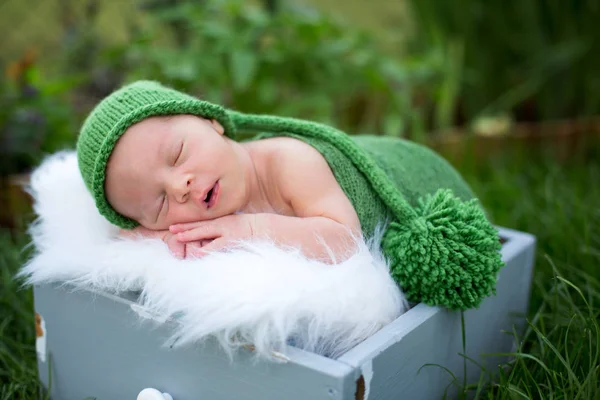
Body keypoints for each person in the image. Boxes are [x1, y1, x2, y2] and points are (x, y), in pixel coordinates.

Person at [76, 80, 503, 310]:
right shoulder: (190, 203)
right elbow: (144, 239)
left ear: (212, 122)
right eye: (159, 204)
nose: (179, 186)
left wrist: (249, 228)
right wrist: (150, 233)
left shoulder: (289, 162)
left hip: (416, 176)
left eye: (178, 153)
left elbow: (343, 240)